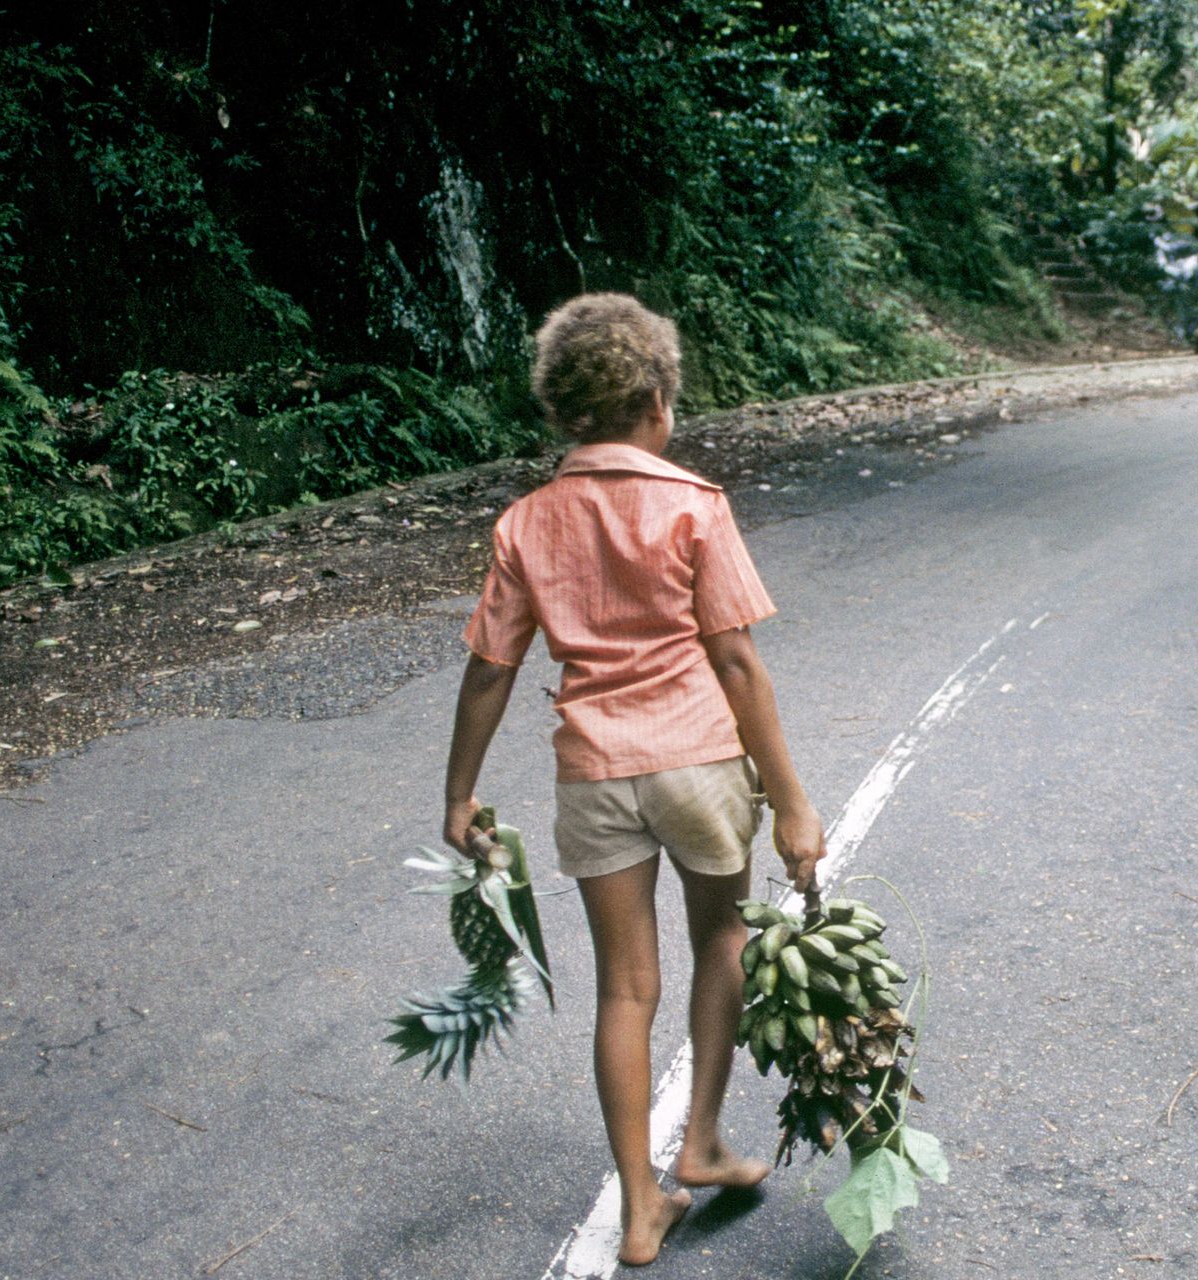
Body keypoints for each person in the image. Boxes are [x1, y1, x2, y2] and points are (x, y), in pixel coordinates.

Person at [441, 293, 829, 1266]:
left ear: (563, 411)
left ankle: (640, 1209)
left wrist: (460, 792)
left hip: (594, 774)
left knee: (625, 987)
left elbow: (490, 667)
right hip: (697, 762)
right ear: (656, 400)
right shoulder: (693, 507)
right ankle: (698, 1134)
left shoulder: (526, 524)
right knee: (722, 937)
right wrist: (791, 799)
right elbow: (736, 661)